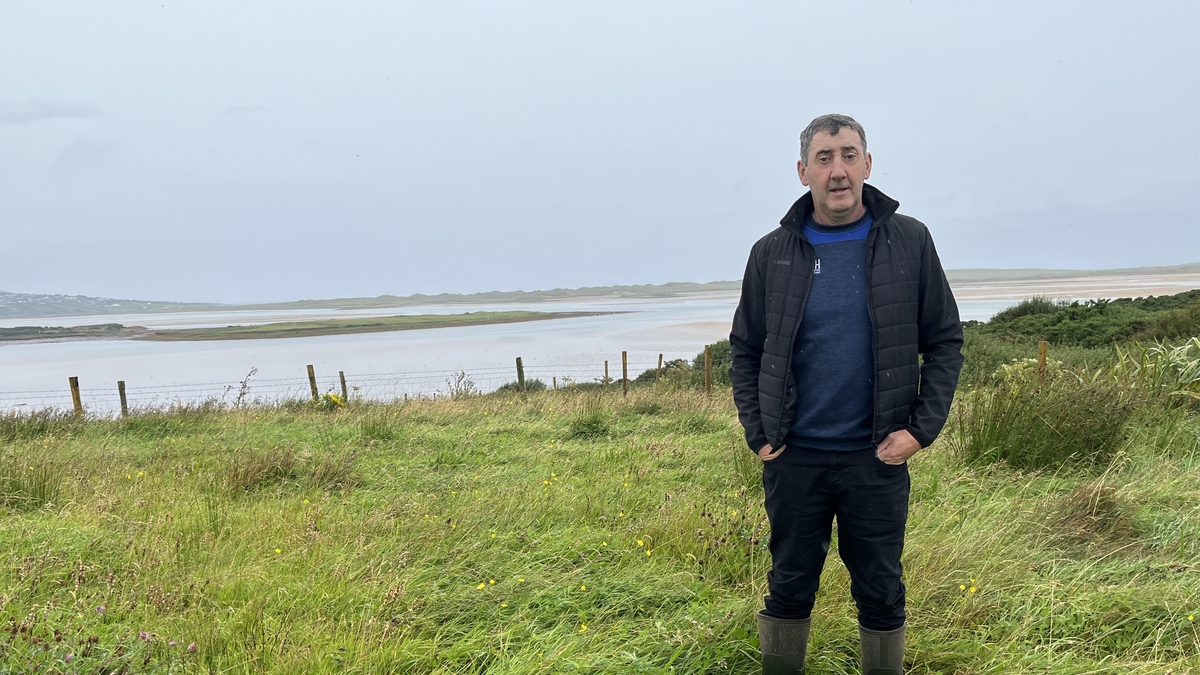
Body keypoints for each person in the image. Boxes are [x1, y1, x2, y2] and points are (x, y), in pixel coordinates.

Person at [729, 114, 964, 675]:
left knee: (881, 589)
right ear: (803, 170)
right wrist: (760, 435)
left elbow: (946, 341)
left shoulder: (910, 240)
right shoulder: (772, 252)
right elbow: (745, 349)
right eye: (826, 157)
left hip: (875, 456)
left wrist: (918, 431)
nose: (839, 170)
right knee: (788, 585)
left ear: (868, 163)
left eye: (849, 154)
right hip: (795, 457)